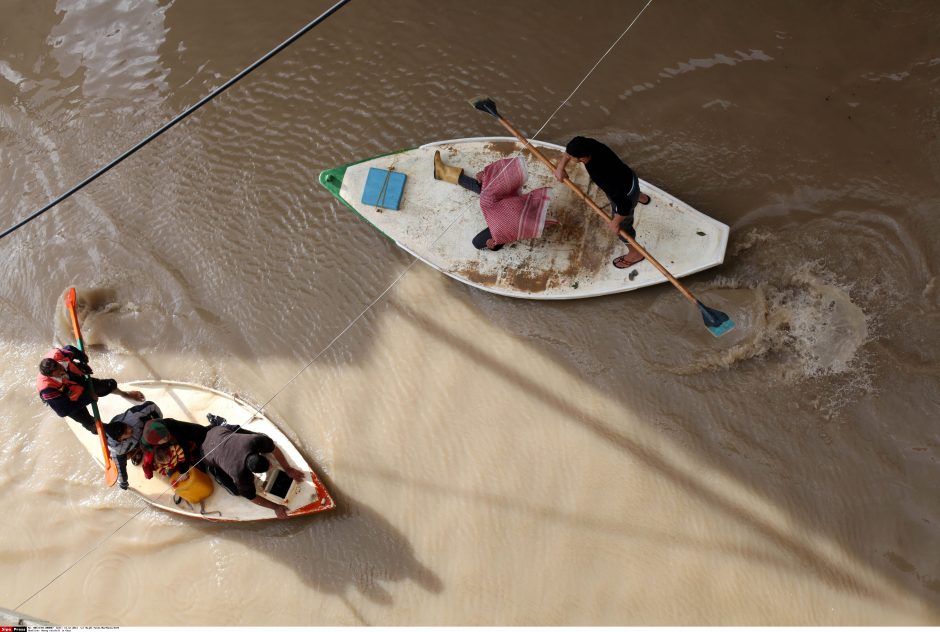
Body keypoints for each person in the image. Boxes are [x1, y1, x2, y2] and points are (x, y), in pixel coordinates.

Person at [553, 136, 651, 269]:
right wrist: (560, 167)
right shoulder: (591, 144)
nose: (568, 157)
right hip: (630, 177)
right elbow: (570, 151)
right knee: (629, 191)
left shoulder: (601, 173)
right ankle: (640, 196)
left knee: (622, 227)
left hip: (625, 198)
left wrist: (616, 223)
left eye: (571, 156)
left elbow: (624, 205)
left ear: (581, 158)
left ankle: (636, 254)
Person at [433, 150, 558, 251]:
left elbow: (481, 242)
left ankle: (444, 173)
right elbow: (493, 188)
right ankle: (444, 173)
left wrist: (494, 244)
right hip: (503, 210)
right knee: (484, 190)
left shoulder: (508, 225)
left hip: (506, 222)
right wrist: (486, 178)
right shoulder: (502, 204)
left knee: (478, 242)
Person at [199, 422, 305, 519]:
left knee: (264, 438)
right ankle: (213, 469)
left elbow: (274, 449)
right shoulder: (239, 474)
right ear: (250, 472)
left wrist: (288, 469)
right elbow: (252, 497)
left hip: (219, 430)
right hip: (206, 451)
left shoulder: (254, 440)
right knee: (236, 491)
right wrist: (275, 507)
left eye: (269, 464)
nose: (271, 466)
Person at [36, 345, 144, 435]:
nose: (62, 369)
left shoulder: (57, 355)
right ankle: (111, 432)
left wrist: (83, 359)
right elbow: (63, 411)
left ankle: (124, 394)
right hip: (67, 400)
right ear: (51, 375)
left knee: (111, 384)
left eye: (59, 366)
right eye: (58, 371)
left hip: (75, 382)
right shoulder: (48, 390)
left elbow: (70, 348)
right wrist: (88, 398)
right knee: (92, 425)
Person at [105, 400, 163, 490]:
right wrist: (123, 482)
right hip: (134, 445)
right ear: (120, 439)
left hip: (144, 429)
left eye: (126, 426)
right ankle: (138, 451)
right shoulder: (117, 450)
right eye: (126, 432)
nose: (129, 429)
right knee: (125, 457)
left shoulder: (133, 416)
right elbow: (120, 468)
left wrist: (159, 421)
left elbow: (151, 405)